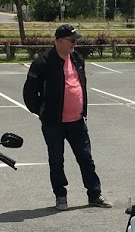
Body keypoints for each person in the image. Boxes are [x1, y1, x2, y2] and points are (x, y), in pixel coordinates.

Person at [22, 24, 111, 210]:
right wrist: (42, 112)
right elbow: (29, 93)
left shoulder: (77, 59)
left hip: (77, 121)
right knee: (56, 160)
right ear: (59, 41)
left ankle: (94, 194)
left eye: (75, 41)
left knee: (86, 157)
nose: (74, 44)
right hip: (53, 123)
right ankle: (60, 196)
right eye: (71, 41)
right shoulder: (43, 62)